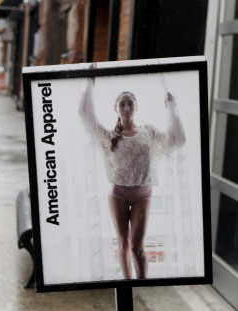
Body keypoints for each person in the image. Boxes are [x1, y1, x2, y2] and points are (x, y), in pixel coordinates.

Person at [78, 64, 186, 279]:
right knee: (123, 243)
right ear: (116, 109)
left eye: (130, 103)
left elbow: (178, 140)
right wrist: (90, 81)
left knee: (137, 246)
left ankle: (142, 281)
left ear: (136, 107)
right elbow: (85, 114)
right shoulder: (109, 136)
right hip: (118, 193)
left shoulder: (149, 132)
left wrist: (172, 109)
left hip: (143, 194)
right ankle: (128, 283)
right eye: (122, 104)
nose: (126, 107)